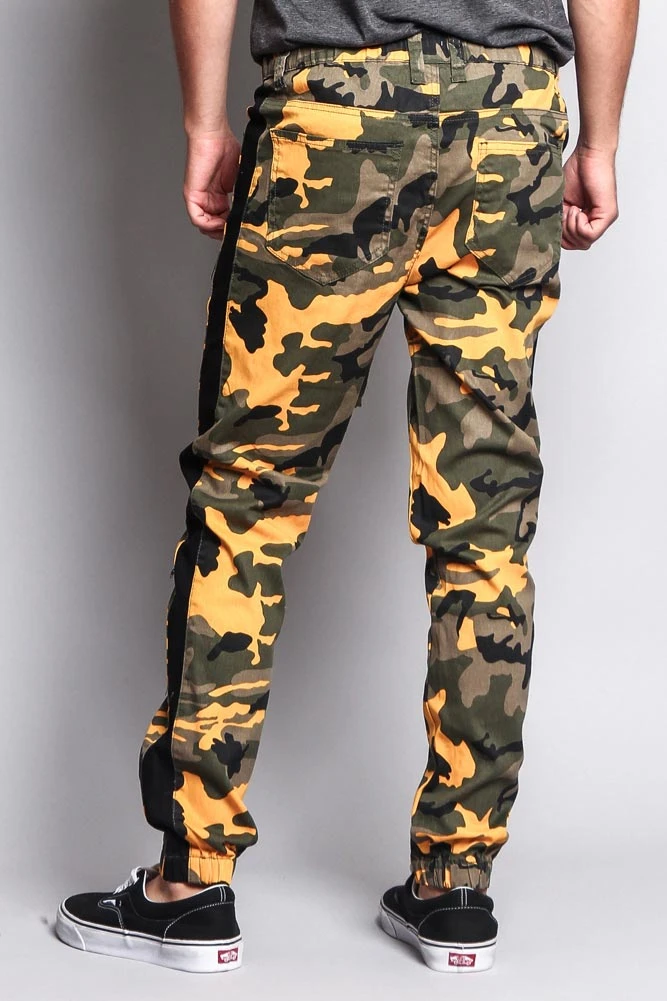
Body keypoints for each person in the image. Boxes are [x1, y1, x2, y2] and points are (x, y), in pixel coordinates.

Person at [55, 0, 639, 975]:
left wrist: (203, 123)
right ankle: (455, 887)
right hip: (509, 125)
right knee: (484, 524)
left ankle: (188, 885)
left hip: (333, 112)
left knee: (247, 505)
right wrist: (601, 138)